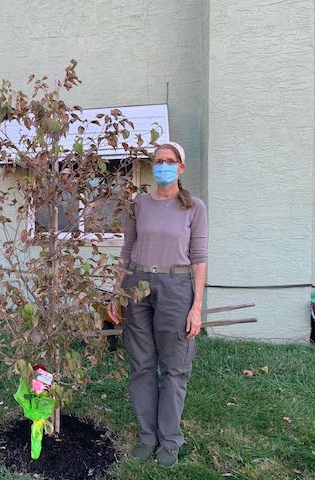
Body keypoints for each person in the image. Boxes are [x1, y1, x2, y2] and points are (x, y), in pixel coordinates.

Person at [107, 142, 207, 468]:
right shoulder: (138, 205)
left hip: (176, 288)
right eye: (158, 161)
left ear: (180, 168)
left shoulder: (194, 208)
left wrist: (196, 306)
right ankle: (148, 436)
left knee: (175, 368)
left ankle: (170, 439)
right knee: (142, 365)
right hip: (138, 287)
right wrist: (115, 291)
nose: (163, 165)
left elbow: (199, 259)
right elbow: (126, 250)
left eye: (169, 161)